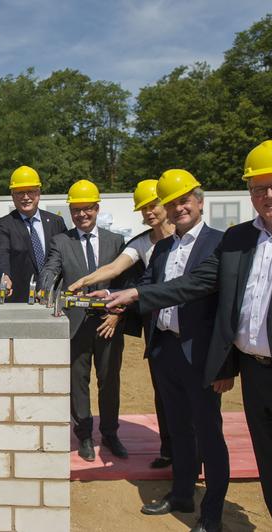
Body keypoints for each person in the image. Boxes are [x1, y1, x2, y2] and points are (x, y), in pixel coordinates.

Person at [106, 140, 272, 532]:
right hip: (256, 378)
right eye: (259, 188)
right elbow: (195, 282)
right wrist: (136, 292)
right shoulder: (239, 239)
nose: (269, 195)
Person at [127, 170, 230, 532]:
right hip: (166, 350)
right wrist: (113, 300)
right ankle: (183, 493)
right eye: (172, 203)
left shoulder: (221, 243)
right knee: (178, 430)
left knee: (208, 433)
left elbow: (220, 304)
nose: (179, 207)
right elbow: (146, 287)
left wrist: (225, 363)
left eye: (185, 200)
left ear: (200, 202)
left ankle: (213, 512)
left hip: (201, 356)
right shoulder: (163, 249)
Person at [69, 179, 176, 469]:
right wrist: (85, 281)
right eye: (143, 209)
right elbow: (116, 270)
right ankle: (169, 451)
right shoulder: (140, 243)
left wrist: (117, 313)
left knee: (192, 401)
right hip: (160, 331)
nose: (149, 213)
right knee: (164, 395)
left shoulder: (186, 238)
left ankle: (195, 455)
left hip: (190, 330)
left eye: (153, 205)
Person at [40, 179, 127, 461]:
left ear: (97, 208)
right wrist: (46, 286)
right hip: (75, 323)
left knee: (109, 380)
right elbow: (50, 270)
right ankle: (85, 436)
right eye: (76, 210)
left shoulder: (116, 242)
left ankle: (111, 434)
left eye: (87, 209)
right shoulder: (61, 242)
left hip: (108, 323)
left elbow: (127, 284)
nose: (82, 215)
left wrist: (116, 314)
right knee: (78, 382)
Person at [0, 165, 66, 302]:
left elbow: (66, 257)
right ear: (12, 196)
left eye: (31, 191)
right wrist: (4, 276)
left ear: (38, 193)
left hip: (52, 299)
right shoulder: (4, 225)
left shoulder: (56, 222)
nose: (26, 197)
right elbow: (1, 253)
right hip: (20, 299)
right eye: (20, 192)